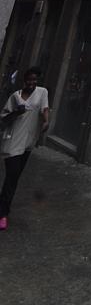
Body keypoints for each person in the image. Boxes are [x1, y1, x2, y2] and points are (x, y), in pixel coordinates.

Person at [0, 67, 49, 229]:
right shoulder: (15, 97)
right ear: (24, 81)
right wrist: (16, 112)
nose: (32, 83)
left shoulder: (42, 92)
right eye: (29, 80)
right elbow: (3, 120)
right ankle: (3, 213)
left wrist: (46, 121)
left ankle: (3, 208)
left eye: (34, 80)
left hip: (28, 144)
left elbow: (44, 109)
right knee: (12, 176)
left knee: (13, 179)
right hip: (12, 142)